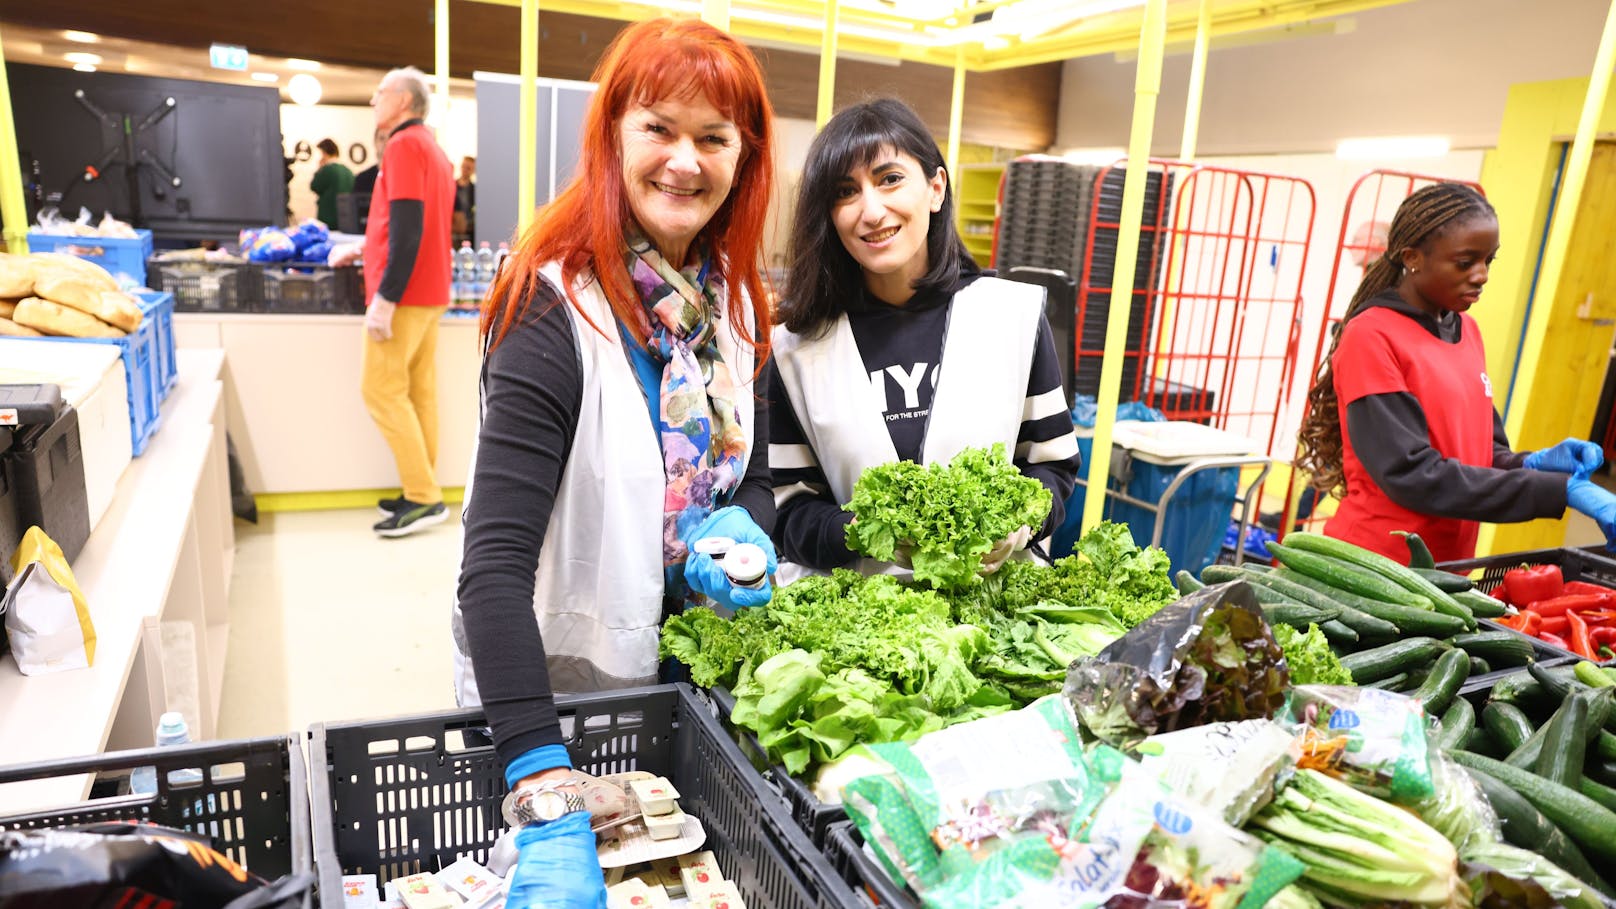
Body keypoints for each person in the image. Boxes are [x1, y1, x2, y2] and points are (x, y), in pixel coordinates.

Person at [451, 18, 777, 907]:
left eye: (714, 137)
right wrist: (544, 791)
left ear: (743, 159)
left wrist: (741, 520)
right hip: (557, 702)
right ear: (612, 139)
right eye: (659, 128)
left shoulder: (733, 306)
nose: (686, 160)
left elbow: (753, 469)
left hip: (690, 688)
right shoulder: (551, 309)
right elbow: (491, 574)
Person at [769, 97, 1081, 580]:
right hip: (861, 625)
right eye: (846, 192)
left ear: (936, 188)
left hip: (991, 615)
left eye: (890, 179)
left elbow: (1051, 467)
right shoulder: (796, 348)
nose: (871, 211)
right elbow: (789, 510)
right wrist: (869, 531)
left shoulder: (1010, 315)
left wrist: (1017, 523)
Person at [1297, 181, 1616, 564]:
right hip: (1376, 564)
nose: (1481, 275)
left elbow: (1482, 451)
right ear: (1412, 257)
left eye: (1489, 261)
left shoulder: (1466, 331)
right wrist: (1556, 490)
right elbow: (1411, 473)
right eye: (1466, 262)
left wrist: (1529, 462)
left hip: (1447, 565)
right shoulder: (1372, 335)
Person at [359, 66, 456, 536]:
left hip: (407, 294)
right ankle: (421, 487)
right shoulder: (433, 149)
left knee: (379, 390)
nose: (373, 101)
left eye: (380, 93)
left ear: (402, 100)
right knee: (418, 394)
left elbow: (408, 228)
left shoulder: (402, 146)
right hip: (432, 290)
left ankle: (423, 496)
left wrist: (385, 298)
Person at [310, 138, 354, 228]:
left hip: (328, 220)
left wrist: (319, 169)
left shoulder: (327, 170)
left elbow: (314, 186)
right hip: (345, 219)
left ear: (324, 153)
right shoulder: (348, 171)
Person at [452, 155, 476, 243]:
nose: (465, 170)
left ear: (473, 170)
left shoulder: (474, 190)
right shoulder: (451, 186)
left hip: (469, 233)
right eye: (463, 166)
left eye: (468, 168)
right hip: (452, 230)